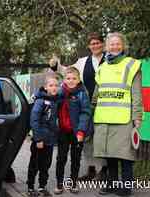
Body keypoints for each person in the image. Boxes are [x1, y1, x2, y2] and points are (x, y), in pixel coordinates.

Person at [49, 32, 108, 181]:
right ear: (89, 46)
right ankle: (91, 169)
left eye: (97, 43)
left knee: (102, 136)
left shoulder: (110, 59)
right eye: (92, 43)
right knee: (86, 137)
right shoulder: (82, 62)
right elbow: (67, 71)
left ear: (103, 44)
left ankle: (104, 170)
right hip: (86, 103)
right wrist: (56, 65)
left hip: (106, 104)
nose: (95, 46)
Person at [92, 32, 143, 196]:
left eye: (117, 44)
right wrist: (90, 111)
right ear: (106, 47)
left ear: (123, 46)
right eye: (111, 44)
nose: (114, 46)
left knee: (125, 156)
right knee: (110, 155)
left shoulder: (131, 65)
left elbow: (137, 94)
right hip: (104, 118)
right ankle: (112, 185)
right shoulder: (101, 68)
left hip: (124, 119)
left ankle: (126, 188)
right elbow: (96, 94)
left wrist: (137, 117)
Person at [54, 67, 92, 194]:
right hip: (63, 132)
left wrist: (81, 131)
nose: (71, 81)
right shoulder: (59, 92)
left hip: (77, 133)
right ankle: (59, 184)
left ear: (79, 79)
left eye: (74, 78)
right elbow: (49, 100)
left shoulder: (82, 93)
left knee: (76, 159)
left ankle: (73, 182)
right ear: (64, 79)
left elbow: (85, 113)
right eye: (68, 78)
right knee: (61, 158)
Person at [27, 75, 60, 197]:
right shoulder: (40, 101)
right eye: (51, 85)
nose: (54, 88)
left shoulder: (55, 101)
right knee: (35, 164)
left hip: (50, 141)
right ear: (45, 87)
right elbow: (34, 120)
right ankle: (30, 188)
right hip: (39, 141)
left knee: (46, 165)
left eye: (56, 85)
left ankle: (42, 187)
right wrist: (38, 139)